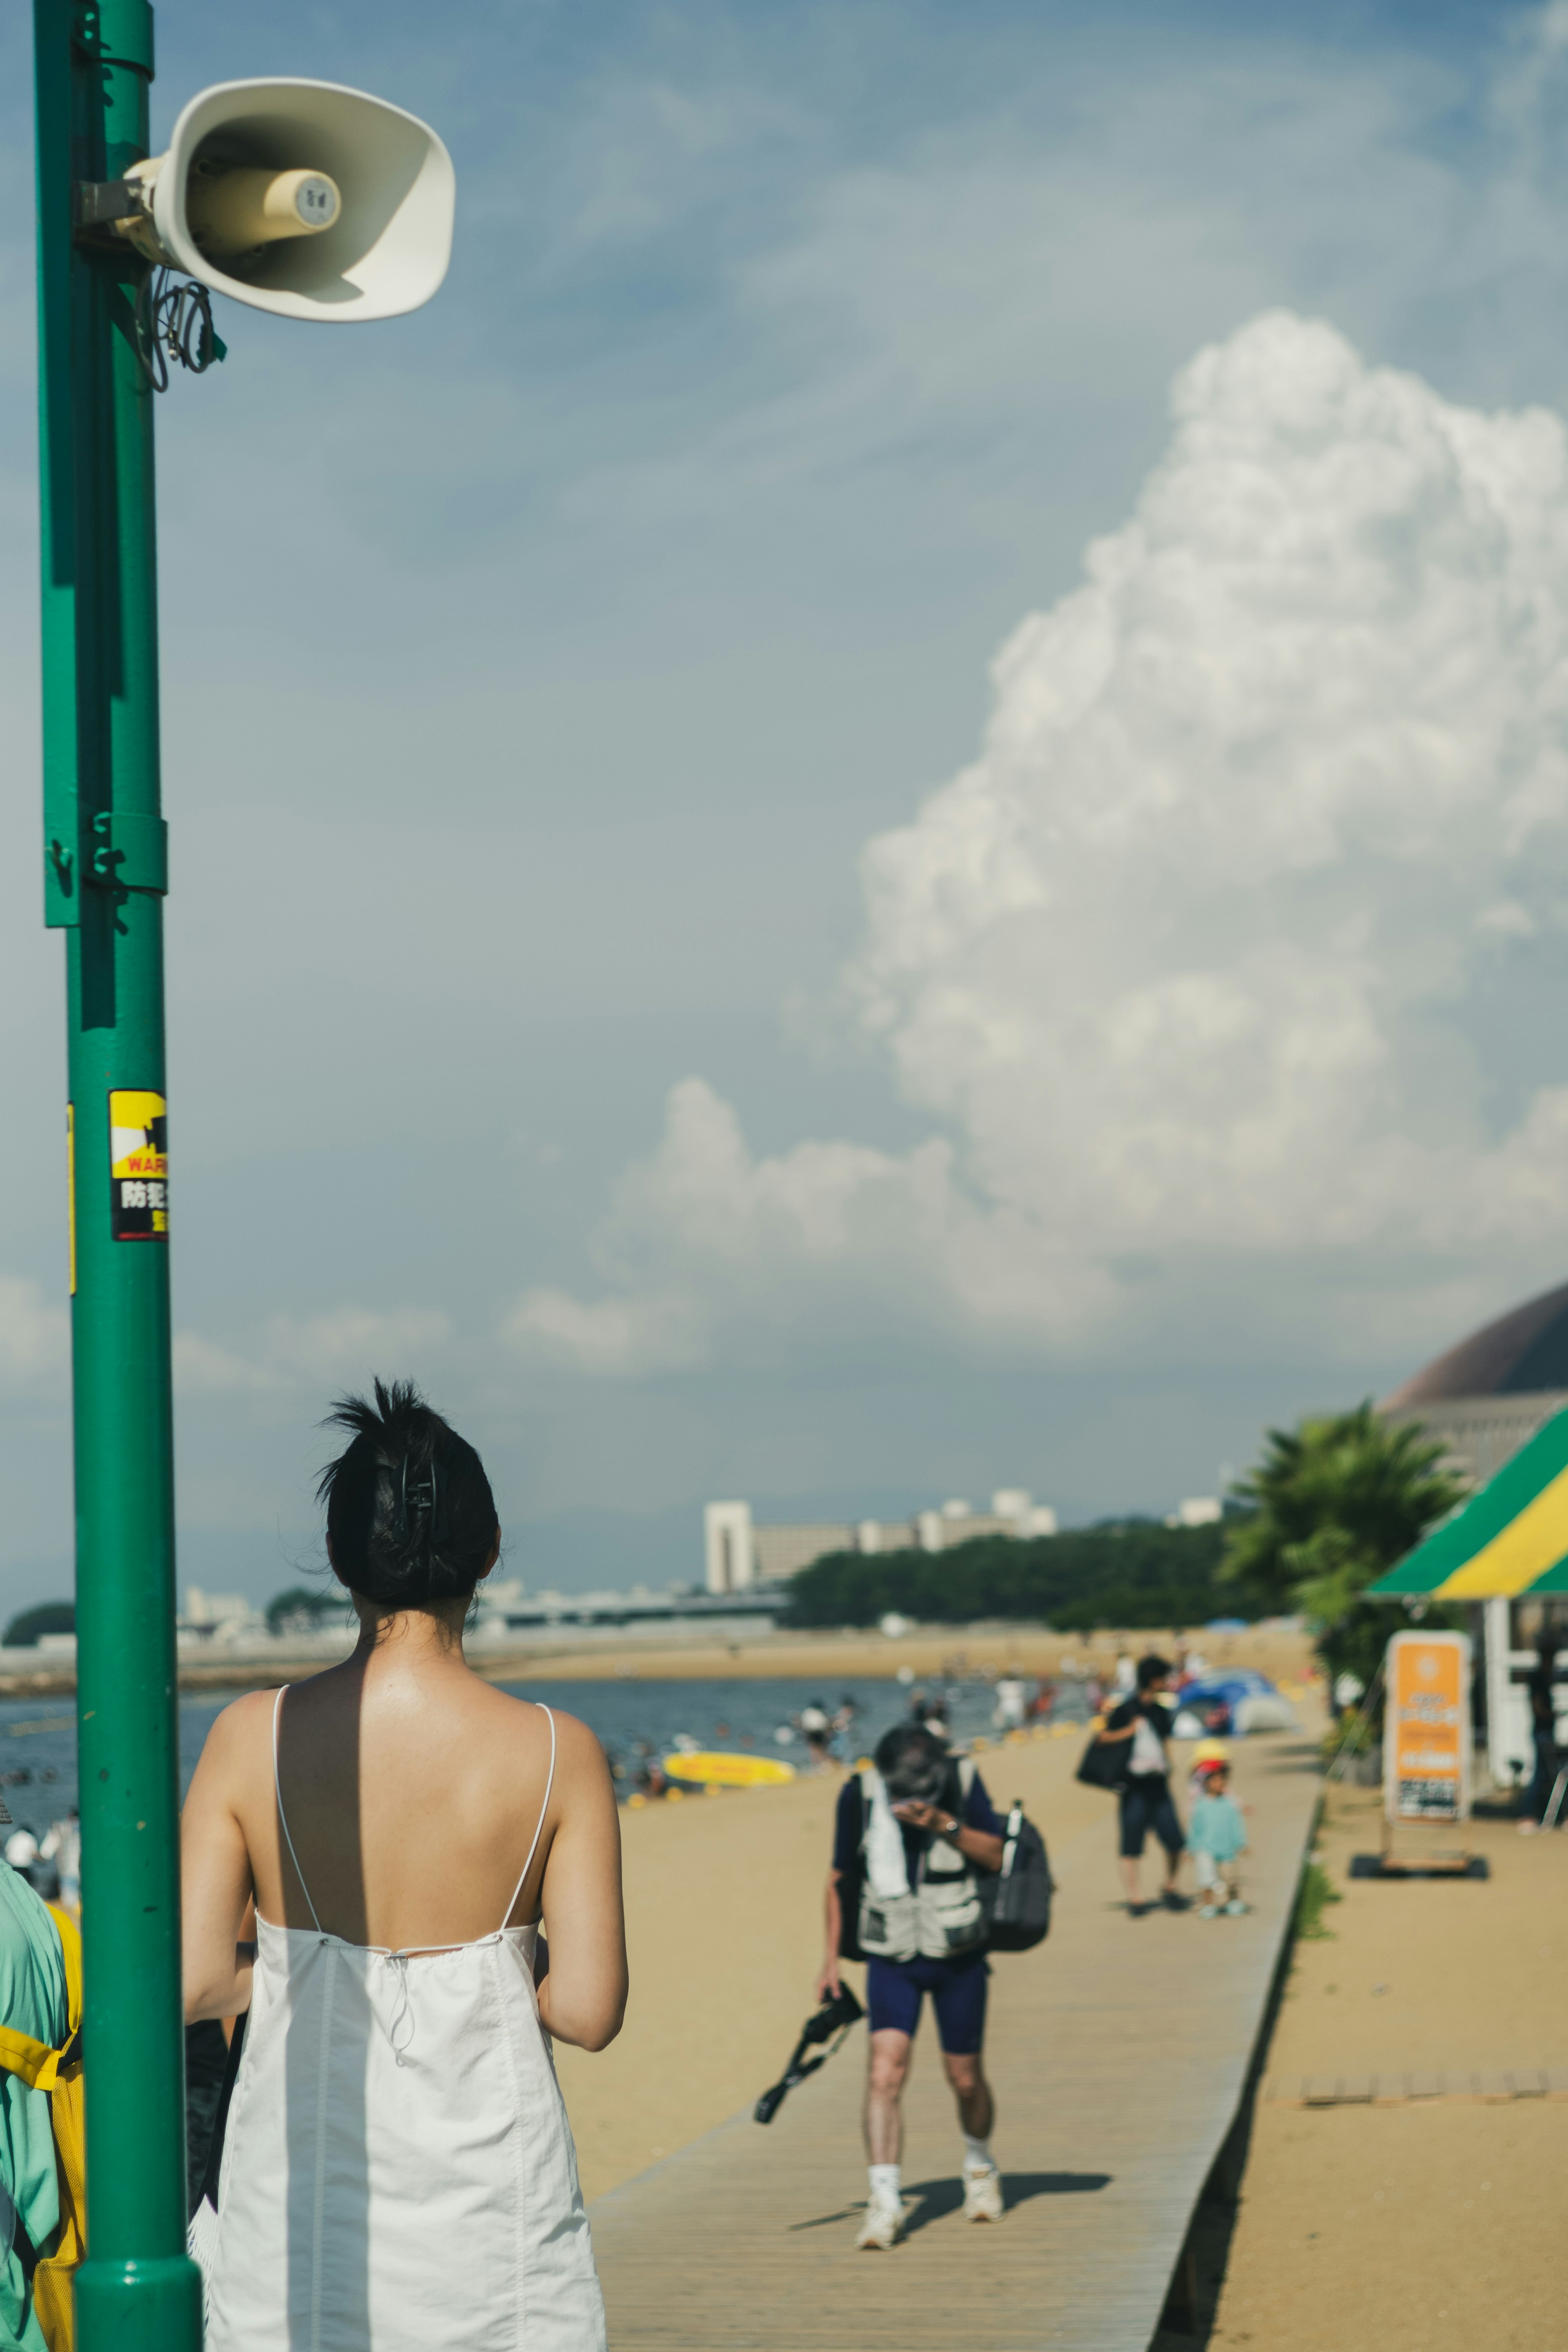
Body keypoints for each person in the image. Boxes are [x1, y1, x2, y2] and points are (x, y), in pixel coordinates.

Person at [181, 1380, 627, 2351]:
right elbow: (588, 2010)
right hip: (491, 2217)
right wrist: (496, 1969)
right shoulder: (558, 1748)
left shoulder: (249, 1734)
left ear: (339, 1557)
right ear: (491, 1551)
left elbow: (197, 1977)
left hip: (296, 2208)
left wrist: (301, 1965)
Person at [816, 1723, 1005, 2251]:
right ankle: (885, 2200)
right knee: (884, 2070)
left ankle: (980, 2166)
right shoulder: (858, 1793)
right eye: (900, 1791)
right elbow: (837, 1877)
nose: (908, 1800)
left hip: (959, 1954)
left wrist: (945, 1822)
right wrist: (830, 1960)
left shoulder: (964, 1780)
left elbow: (995, 1855)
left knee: (965, 2078)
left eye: (919, 1790)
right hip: (890, 1953)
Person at [1095, 1655, 1186, 1916]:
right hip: (1132, 1786)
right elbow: (1102, 1739)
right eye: (1163, 1678)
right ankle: (1136, 1899)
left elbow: (1166, 1742)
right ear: (1153, 1679)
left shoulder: (1162, 1712)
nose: (1167, 1682)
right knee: (1131, 1845)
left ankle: (1170, 1886)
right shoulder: (1125, 1710)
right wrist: (1129, 1731)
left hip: (1158, 1784)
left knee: (1175, 1841)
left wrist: (1169, 1767)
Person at [1186, 1762, 1248, 1917]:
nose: (1220, 1784)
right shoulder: (1200, 1806)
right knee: (1206, 1879)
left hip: (1227, 1848)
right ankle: (1208, 1904)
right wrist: (1191, 1848)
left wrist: (1241, 1843)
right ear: (1207, 1784)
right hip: (1206, 1848)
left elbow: (1236, 1825)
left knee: (1231, 1878)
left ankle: (1233, 1902)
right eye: (1215, 1781)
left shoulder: (1229, 1804)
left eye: (1222, 1781)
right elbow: (1195, 1829)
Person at [1521, 1632, 1561, 1831]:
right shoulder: (1538, 1679)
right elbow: (1538, 1708)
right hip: (1542, 1732)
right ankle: (1528, 1815)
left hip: (1545, 1732)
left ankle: (1540, 1815)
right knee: (1542, 1774)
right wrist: (1554, 1714)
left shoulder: (1545, 1678)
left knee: (1547, 1774)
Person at [38, 1812, 80, 1919]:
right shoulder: (90, 1827)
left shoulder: (61, 1827)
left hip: (68, 1871)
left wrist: (43, 1855)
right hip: (86, 1872)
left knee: (70, 1904)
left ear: (69, 1817)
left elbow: (47, 1850)